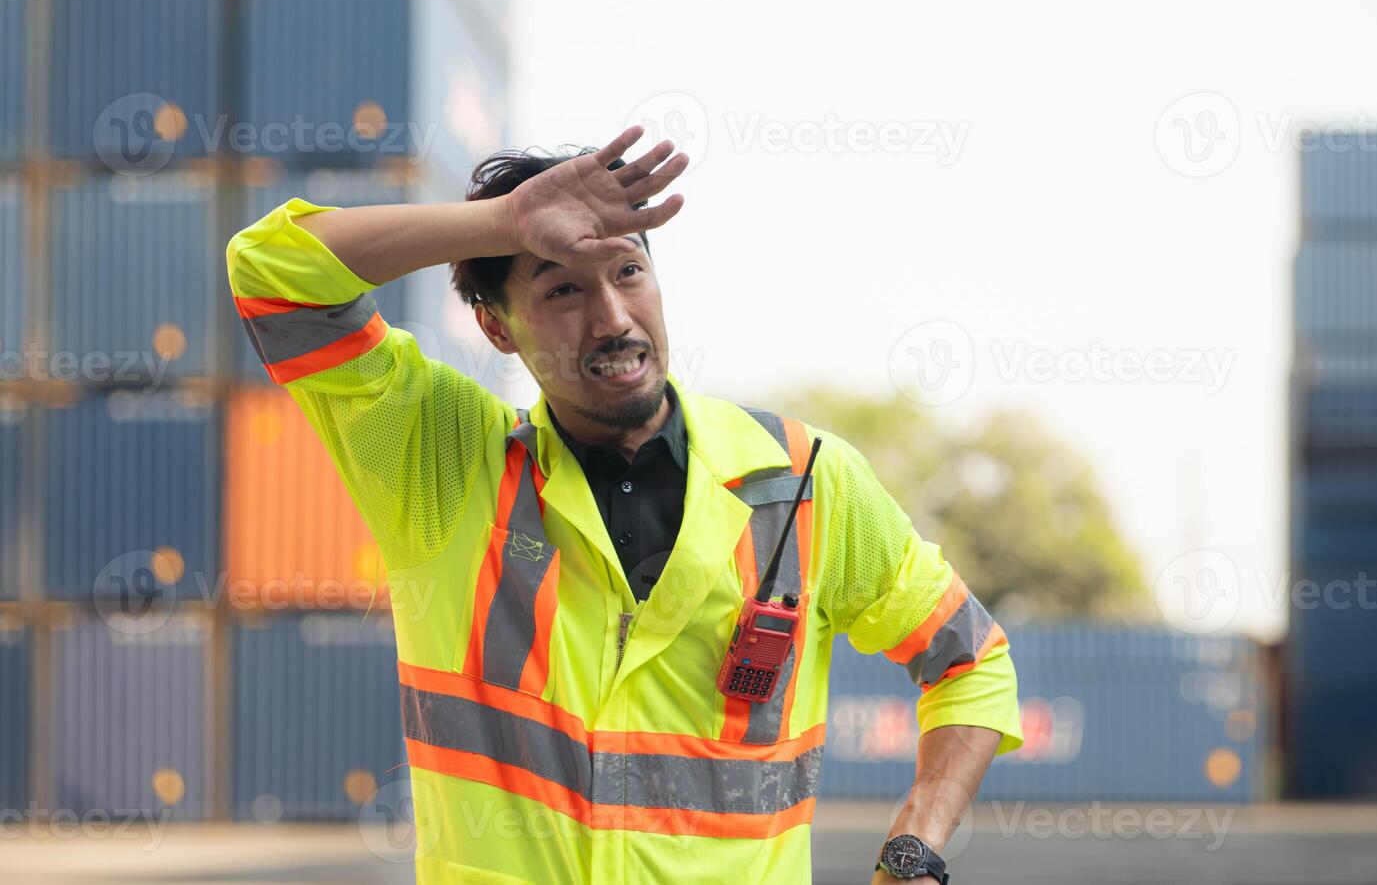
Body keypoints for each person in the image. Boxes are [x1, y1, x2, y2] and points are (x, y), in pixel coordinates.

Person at [226, 125, 1022, 884]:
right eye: (564, 288)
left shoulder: (806, 480)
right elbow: (271, 273)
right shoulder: (443, 465)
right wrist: (500, 221)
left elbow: (971, 660)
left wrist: (912, 849)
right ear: (495, 328)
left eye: (628, 273)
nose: (611, 319)